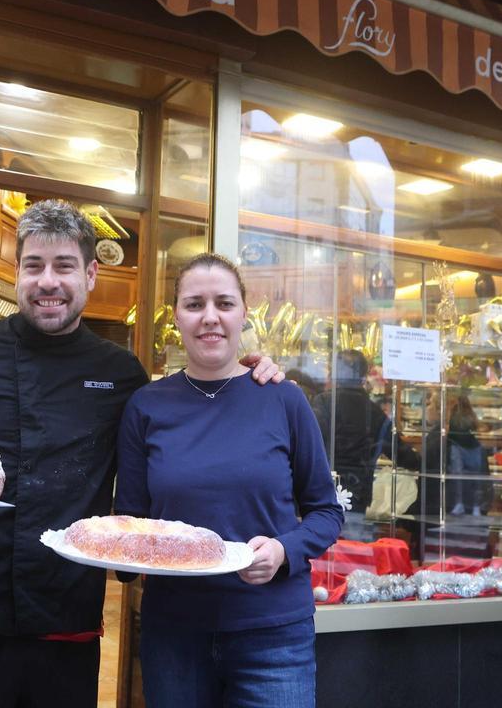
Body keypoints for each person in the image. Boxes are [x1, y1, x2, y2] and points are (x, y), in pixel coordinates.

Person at [0, 201, 282, 708]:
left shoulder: (121, 374)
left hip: (65, 624)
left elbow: (185, 430)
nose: (48, 281)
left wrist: (249, 375)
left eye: (64, 266)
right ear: (18, 272)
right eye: (34, 266)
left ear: (90, 274)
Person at [115, 253, 344, 708]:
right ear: (176, 317)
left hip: (274, 635)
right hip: (175, 634)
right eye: (194, 304)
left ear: (243, 313)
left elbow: (326, 512)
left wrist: (283, 551)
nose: (210, 317)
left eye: (224, 303)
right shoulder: (146, 406)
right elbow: (131, 520)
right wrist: (118, 551)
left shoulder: (283, 399)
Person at [310, 349, 388, 514]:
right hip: (359, 490)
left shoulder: (324, 402)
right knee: (354, 529)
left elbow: (310, 442)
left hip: (322, 486)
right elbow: (396, 448)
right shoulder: (374, 411)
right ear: (363, 376)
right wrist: (422, 462)